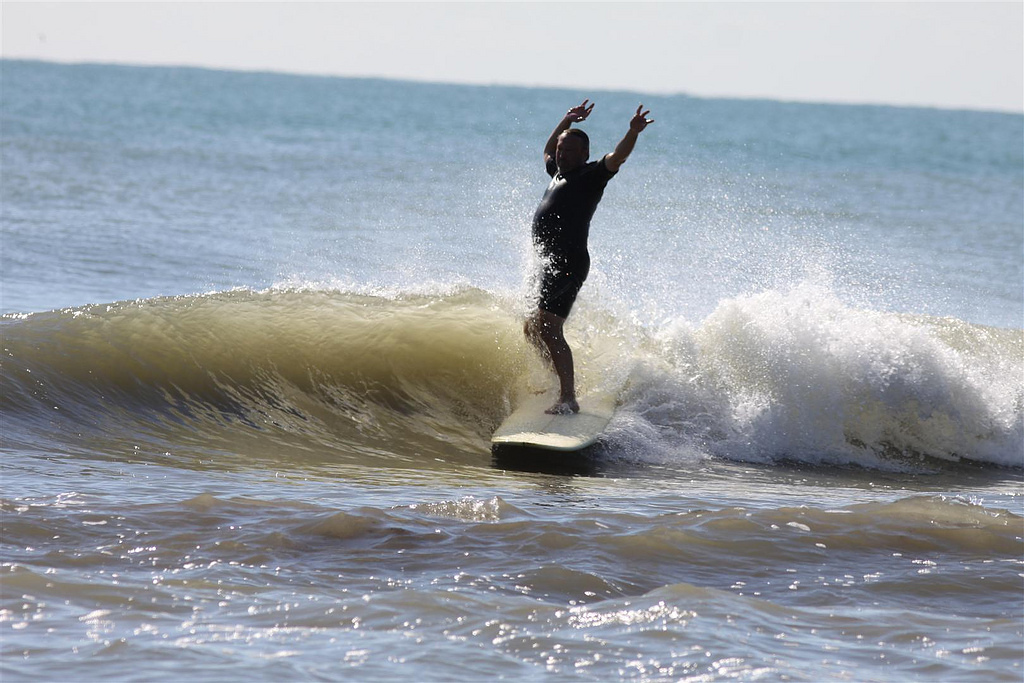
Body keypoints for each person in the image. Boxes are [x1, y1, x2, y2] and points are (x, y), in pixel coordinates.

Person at [524, 99, 654, 414]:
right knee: (531, 329)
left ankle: (568, 397)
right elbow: (547, 149)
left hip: (569, 263)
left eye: (569, 151)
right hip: (549, 263)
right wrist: (566, 119)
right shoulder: (556, 172)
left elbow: (618, 157)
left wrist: (633, 132)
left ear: (584, 154)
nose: (561, 154)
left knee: (549, 328)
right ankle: (560, 383)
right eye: (561, 149)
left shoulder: (591, 175)